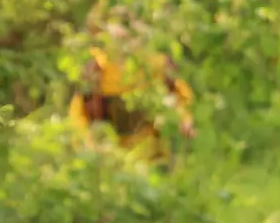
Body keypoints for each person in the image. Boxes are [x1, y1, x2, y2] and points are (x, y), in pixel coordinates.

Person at [68, 10, 195, 163]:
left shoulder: (155, 65)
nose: (125, 40)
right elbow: (79, 115)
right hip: (109, 155)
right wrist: (88, 144)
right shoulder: (97, 70)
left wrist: (184, 119)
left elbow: (178, 98)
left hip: (151, 154)